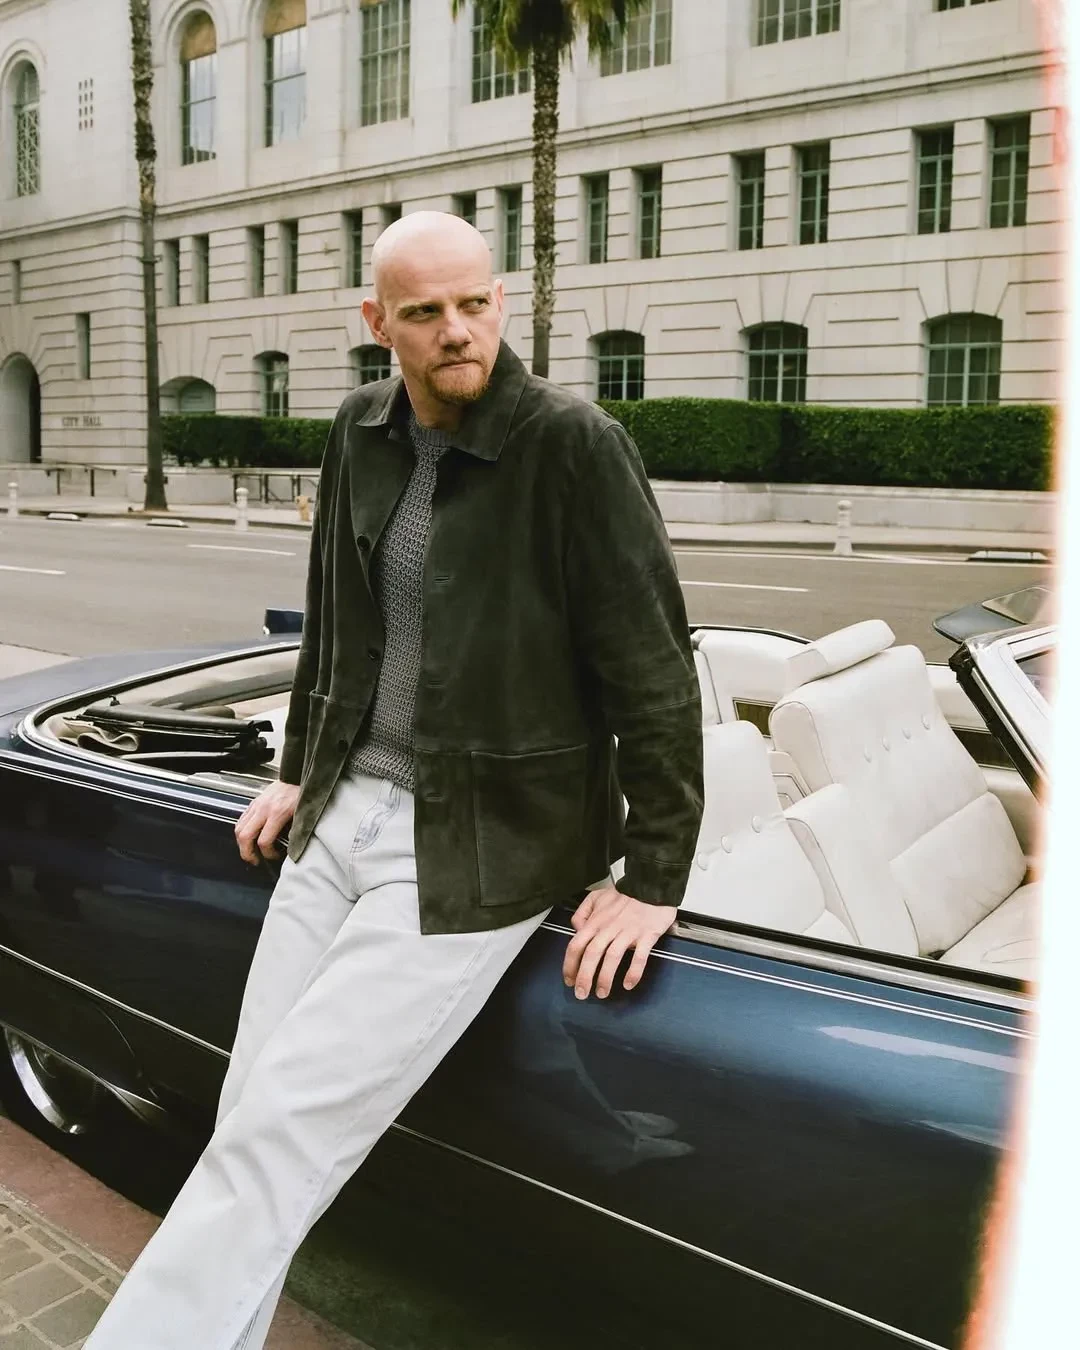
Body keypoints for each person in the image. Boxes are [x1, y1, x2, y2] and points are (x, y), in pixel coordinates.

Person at [84, 211, 704, 1349]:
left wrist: (654, 873)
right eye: (425, 312)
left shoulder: (573, 444)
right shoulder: (361, 429)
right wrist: (301, 773)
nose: (456, 330)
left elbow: (653, 670)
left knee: (278, 1139)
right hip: (342, 820)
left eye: (473, 303)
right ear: (379, 322)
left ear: (500, 301)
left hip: (477, 843)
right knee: (248, 1121)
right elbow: (335, 620)